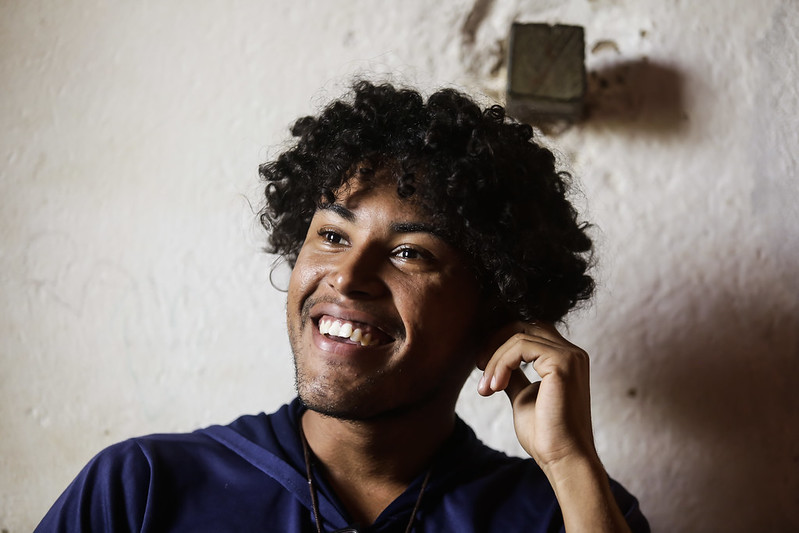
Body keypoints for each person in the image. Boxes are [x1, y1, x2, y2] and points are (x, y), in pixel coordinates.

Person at [36, 81, 649, 532]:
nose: (348, 277)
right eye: (331, 236)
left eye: (410, 253)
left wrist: (569, 463)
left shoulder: (565, 511)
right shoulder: (141, 489)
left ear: (497, 309)